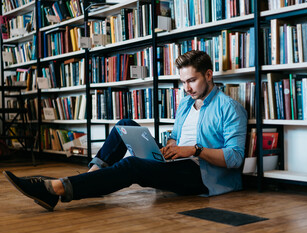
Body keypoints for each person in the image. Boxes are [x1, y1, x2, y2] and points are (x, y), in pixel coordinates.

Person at [3, 50, 248, 211]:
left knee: (132, 167)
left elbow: (235, 159)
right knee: (124, 125)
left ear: (208, 74)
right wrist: (170, 146)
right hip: (176, 162)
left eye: (192, 80)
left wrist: (194, 150)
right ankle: (92, 175)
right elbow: (176, 137)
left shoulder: (230, 108)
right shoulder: (185, 104)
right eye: (183, 82)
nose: (187, 88)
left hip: (202, 177)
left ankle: (56, 189)